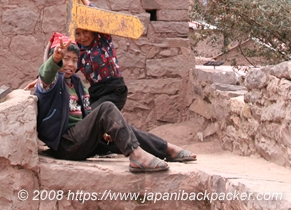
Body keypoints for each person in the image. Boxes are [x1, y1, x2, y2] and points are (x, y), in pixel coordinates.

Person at [35, 33, 197, 172]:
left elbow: (87, 114)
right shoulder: (52, 82)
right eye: (65, 59)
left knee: (121, 130)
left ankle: (166, 149)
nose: (70, 64)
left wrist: (104, 131)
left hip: (80, 139)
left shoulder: (77, 84)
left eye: (74, 60)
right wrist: (55, 59)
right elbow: (46, 74)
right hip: (65, 144)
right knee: (106, 108)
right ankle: (136, 156)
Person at [75, 0, 128, 110]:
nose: (83, 37)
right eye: (78, 34)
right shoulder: (77, 52)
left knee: (92, 117)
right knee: (82, 116)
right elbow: (63, 67)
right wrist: (43, 79)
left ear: (93, 31)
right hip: (96, 93)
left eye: (86, 31)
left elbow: (98, 17)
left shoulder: (102, 40)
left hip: (114, 91)